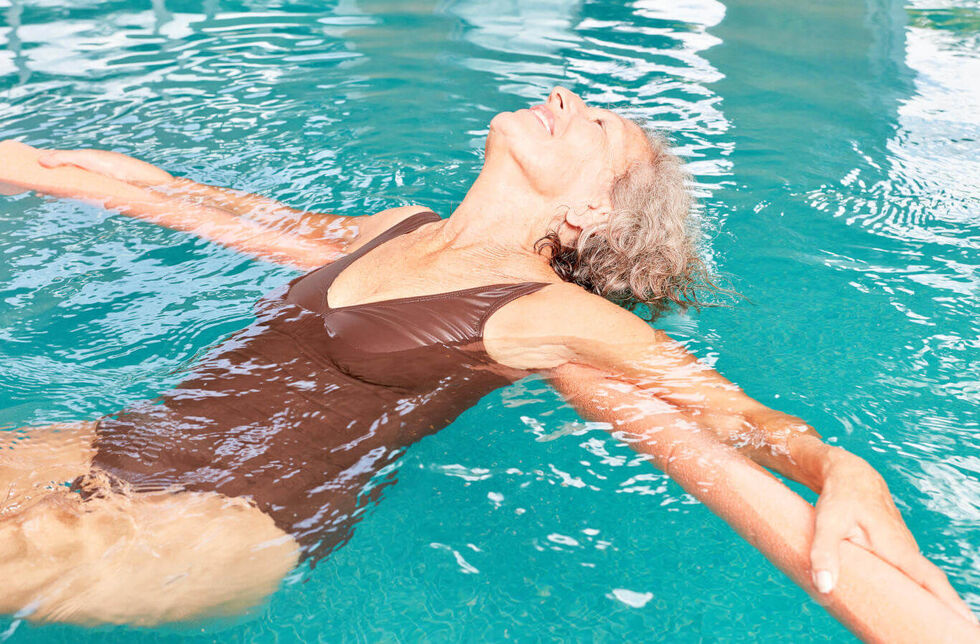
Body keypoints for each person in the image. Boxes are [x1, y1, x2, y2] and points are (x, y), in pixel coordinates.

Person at [0, 87, 975, 630]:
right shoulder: (391, 228)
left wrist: (837, 465)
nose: (564, 98)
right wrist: (47, 170)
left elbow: (724, 415)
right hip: (118, 445)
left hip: (218, 523)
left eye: (594, 126)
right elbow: (177, 197)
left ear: (586, 213)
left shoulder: (543, 315)